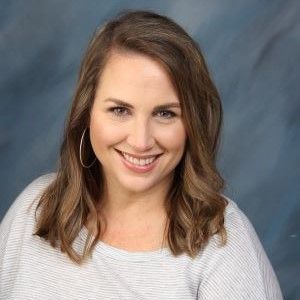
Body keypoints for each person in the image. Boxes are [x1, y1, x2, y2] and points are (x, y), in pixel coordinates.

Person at [0, 10, 283, 300]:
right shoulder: (34, 209)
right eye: (120, 110)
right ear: (87, 114)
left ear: (191, 125)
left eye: (165, 113)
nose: (141, 141)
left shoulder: (224, 243)